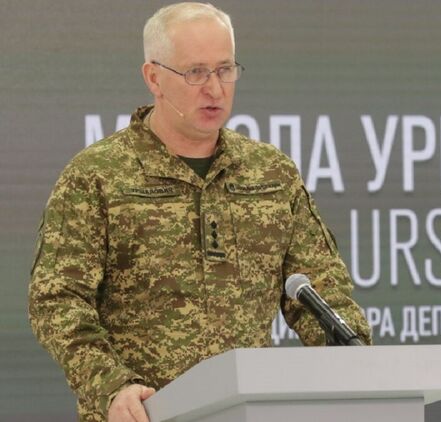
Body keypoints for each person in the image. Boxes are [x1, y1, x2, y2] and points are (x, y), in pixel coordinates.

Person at [28, 3, 372, 421]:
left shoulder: (270, 172)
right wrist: (111, 386)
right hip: (144, 414)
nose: (215, 89)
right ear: (153, 78)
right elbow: (57, 300)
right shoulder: (97, 175)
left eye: (225, 70)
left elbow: (320, 290)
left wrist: (356, 364)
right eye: (196, 72)